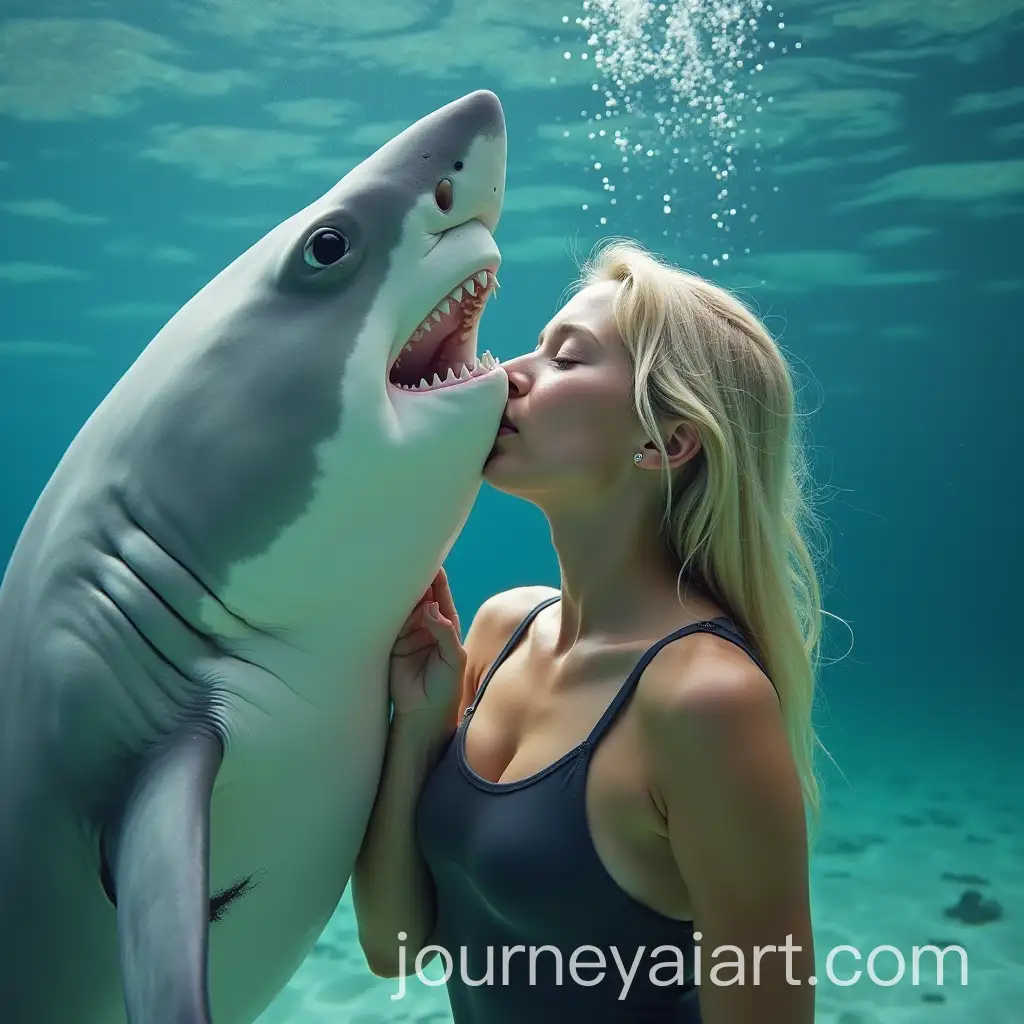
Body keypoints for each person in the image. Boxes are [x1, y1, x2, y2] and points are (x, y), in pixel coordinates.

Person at [352, 238, 823, 1023]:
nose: (509, 375)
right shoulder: (501, 630)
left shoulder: (706, 701)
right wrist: (421, 725)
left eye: (566, 360)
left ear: (666, 441)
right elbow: (393, 947)